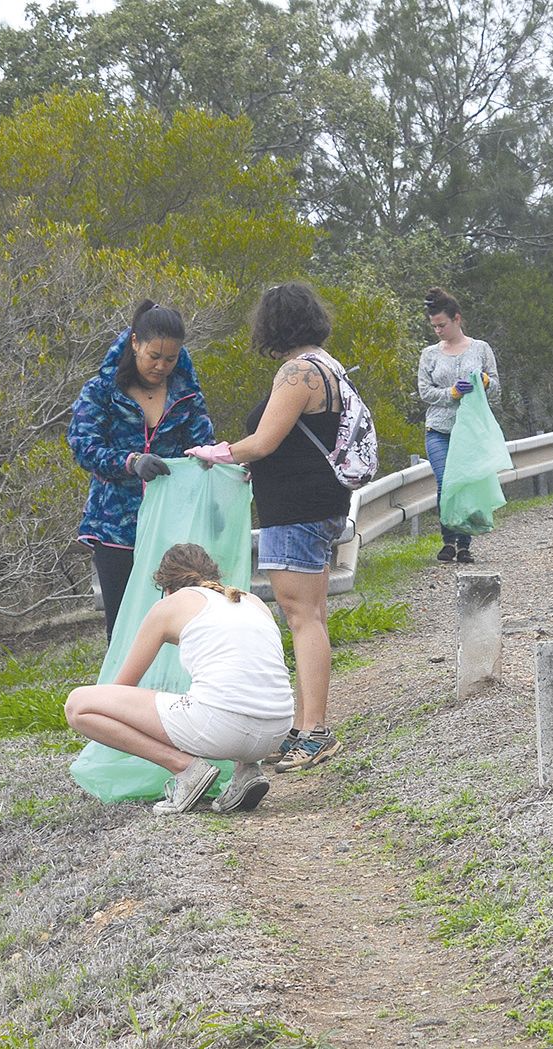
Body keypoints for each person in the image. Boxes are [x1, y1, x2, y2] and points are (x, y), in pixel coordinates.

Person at [184, 282, 348, 772]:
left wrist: (217, 453)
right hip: (320, 503)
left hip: (296, 509)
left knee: (302, 618)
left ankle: (314, 731)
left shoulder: (298, 372)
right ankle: (306, 727)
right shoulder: (328, 365)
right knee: (311, 615)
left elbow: (265, 441)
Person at [64, 543, 295, 815]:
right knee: (226, 691)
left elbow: (120, 688)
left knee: (79, 705)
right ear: (213, 576)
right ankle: (246, 772)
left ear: (166, 587)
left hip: (224, 728)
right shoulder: (251, 601)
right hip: (277, 731)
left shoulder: (169, 606)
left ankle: (185, 769)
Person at [68, 300, 215, 638]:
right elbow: (84, 447)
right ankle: (122, 690)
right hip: (116, 527)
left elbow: (203, 447)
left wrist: (226, 466)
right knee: (122, 625)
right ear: (135, 342)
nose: (161, 366)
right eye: (154, 356)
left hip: (173, 524)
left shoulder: (187, 396)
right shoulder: (101, 391)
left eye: (171, 358)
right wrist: (130, 462)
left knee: (178, 620)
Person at [416, 287, 502, 564]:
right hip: (439, 429)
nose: (438, 331)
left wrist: (484, 383)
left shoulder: (480, 349)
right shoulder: (429, 354)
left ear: (456, 319)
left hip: (470, 431)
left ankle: (464, 544)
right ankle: (448, 540)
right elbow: (425, 392)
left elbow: (496, 388)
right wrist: (451, 393)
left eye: (442, 325)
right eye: (434, 327)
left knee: (465, 484)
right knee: (446, 482)